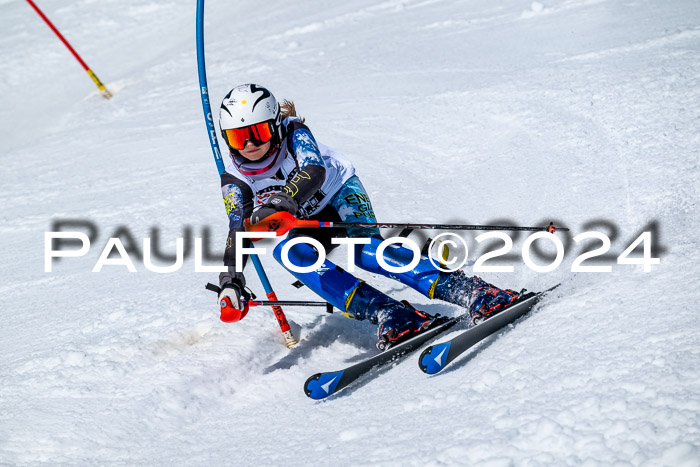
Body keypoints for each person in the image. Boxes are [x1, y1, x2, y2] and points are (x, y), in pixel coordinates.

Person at [216, 83, 519, 350]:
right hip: (304, 221)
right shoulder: (234, 178)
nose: (249, 145)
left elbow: (313, 171)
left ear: (276, 125)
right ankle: (388, 313)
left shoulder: (295, 134)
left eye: (257, 133)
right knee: (290, 253)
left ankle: (470, 290)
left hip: (338, 193)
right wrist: (231, 281)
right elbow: (238, 231)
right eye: (237, 137)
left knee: (367, 253)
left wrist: (283, 202)